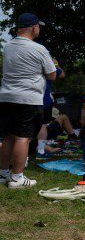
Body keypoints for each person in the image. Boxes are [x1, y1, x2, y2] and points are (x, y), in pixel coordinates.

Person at [0, 13, 56, 188]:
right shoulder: (39, 49)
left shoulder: (8, 47)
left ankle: (2, 174)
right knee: (23, 138)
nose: (39, 29)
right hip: (29, 99)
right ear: (33, 27)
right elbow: (52, 75)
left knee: (8, 136)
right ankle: (17, 178)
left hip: (7, 97)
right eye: (38, 26)